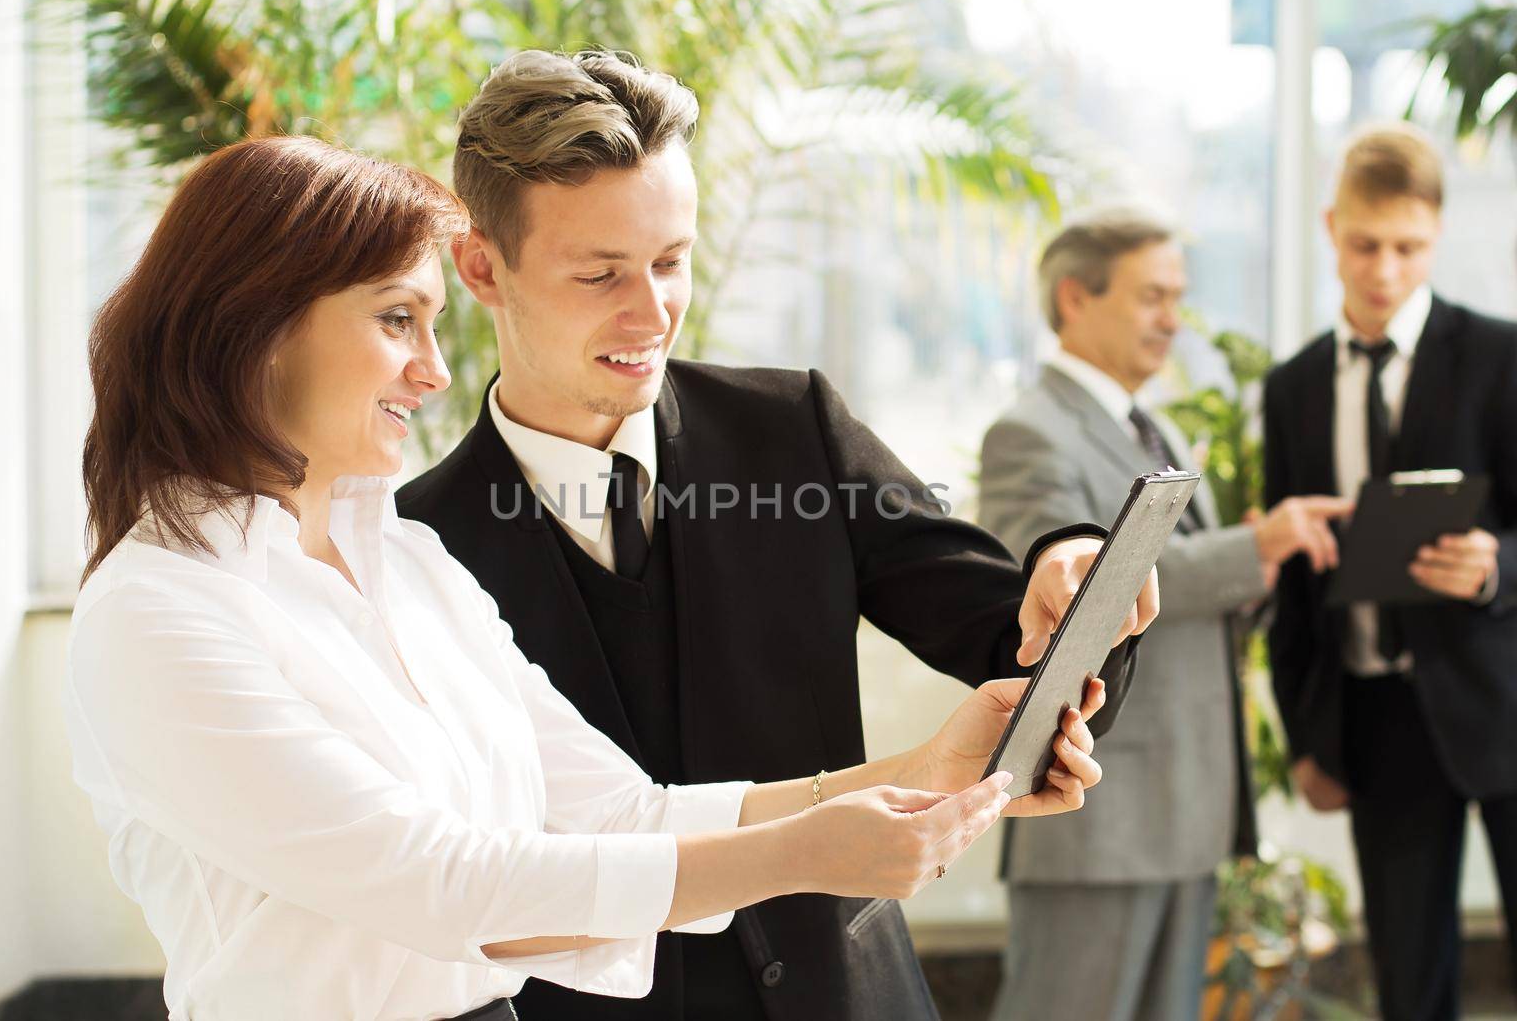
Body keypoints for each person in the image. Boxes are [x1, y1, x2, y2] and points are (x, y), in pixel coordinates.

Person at [66, 135, 1132, 1021]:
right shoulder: (158, 613)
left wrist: (924, 769)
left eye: (669, 261)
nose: (436, 370)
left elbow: (621, 814)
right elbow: (448, 885)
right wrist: (806, 851)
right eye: (397, 319)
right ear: (250, 328)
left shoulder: (407, 563)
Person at [394, 49, 1155, 1021]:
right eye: (600, 274)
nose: (652, 310)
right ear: (478, 268)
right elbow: (458, 880)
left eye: (672, 262)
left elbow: (1015, 640)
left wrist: (1074, 575)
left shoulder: (794, 428)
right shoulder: (415, 545)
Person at [975, 205, 1353, 1021]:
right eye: (1152, 296)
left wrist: (1256, 572)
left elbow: (1184, 599)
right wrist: (1252, 552)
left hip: (1190, 806)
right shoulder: (1027, 432)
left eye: (1177, 296)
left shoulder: (1162, 427)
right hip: (1098, 815)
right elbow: (1069, 597)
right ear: (1074, 298)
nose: (1172, 320)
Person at [1264, 123, 1517, 1021]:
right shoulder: (1291, 387)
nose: (1384, 269)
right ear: (1332, 228)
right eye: (1366, 244)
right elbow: (1289, 586)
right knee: (1413, 987)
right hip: (1380, 719)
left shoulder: (1499, 357)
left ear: (1435, 238)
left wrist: (1495, 569)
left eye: (1408, 248)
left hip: (1503, 699)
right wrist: (1304, 733)